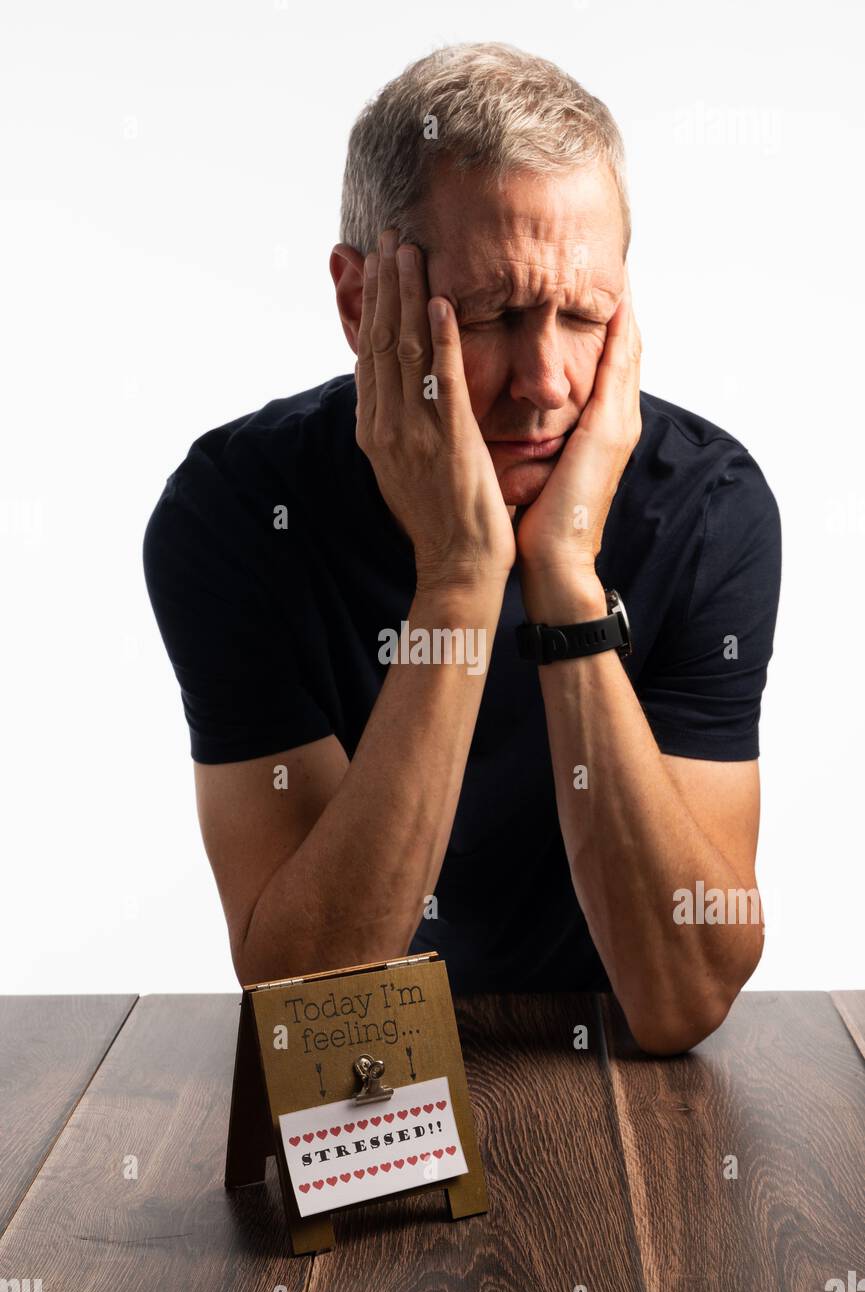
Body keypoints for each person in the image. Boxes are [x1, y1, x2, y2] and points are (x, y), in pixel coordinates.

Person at [143, 42, 781, 1055]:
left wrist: (565, 576)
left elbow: (679, 999)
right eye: (492, 316)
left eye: (584, 316)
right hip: (366, 1104)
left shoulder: (707, 506)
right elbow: (314, 1001)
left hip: (608, 1073)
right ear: (361, 304)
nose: (546, 381)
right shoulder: (233, 512)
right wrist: (461, 575)